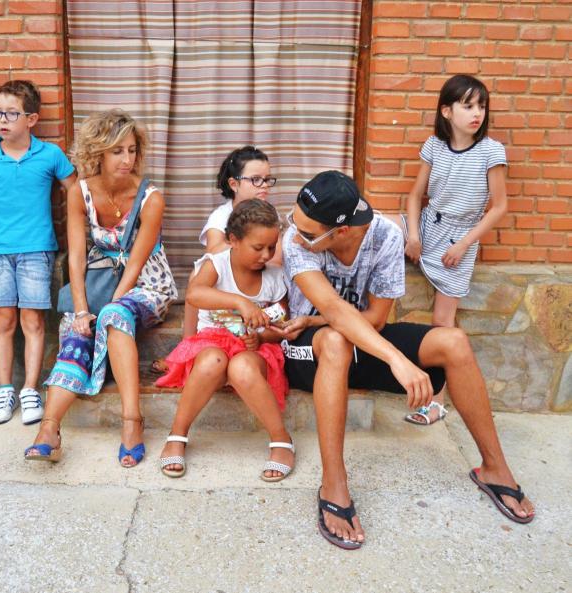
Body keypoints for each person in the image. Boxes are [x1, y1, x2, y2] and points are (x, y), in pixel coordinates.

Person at [280, 170, 534, 549]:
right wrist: (396, 359)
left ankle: (494, 468)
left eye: (308, 232)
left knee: (453, 342)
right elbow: (333, 310)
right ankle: (333, 483)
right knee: (335, 339)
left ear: (342, 230)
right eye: (294, 223)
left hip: (360, 341)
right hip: (308, 351)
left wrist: (389, 352)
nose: (296, 235)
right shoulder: (295, 242)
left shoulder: (385, 236)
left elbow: (376, 319)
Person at [24, 109, 177, 466]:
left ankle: (132, 421)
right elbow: (77, 257)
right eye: (117, 151)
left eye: (132, 150)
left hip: (147, 284)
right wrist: (81, 310)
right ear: (98, 153)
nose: (127, 159)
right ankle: (49, 429)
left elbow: (136, 263)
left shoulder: (151, 198)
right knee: (76, 330)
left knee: (113, 315)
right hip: (98, 279)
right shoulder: (80, 192)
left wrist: (109, 305)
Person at [0, 80, 76, 426]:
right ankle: (4, 389)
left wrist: (79, 237)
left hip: (37, 249)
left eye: (11, 113)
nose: (2, 120)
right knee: (5, 320)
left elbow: (74, 191)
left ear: (32, 119)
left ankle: (29, 389)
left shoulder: (50, 155)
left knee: (32, 320)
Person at [156, 199, 295, 481]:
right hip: (212, 345)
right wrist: (240, 302)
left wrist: (261, 336)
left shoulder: (274, 277)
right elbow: (195, 295)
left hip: (253, 351)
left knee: (241, 366)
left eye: (272, 247)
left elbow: (282, 324)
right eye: (258, 247)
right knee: (212, 360)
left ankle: (281, 439)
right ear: (233, 240)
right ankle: (177, 435)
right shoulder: (216, 265)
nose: (266, 255)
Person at [403, 75, 507, 426]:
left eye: (481, 106)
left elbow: (499, 207)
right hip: (427, 226)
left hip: (461, 238)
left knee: (441, 324)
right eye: (468, 106)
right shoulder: (434, 146)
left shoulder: (491, 151)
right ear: (447, 111)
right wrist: (413, 235)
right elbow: (415, 196)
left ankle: (436, 403)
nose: (477, 113)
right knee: (377, 229)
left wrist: (464, 244)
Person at [153, 147, 276, 375]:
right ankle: (186, 345)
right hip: (227, 279)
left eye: (268, 180)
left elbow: (275, 258)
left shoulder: (269, 215)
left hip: (254, 280)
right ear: (234, 184)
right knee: (197, 274)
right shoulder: (222, 215)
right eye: (256, 180)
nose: (264, 186)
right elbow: (214, 250)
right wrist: (245, 244)